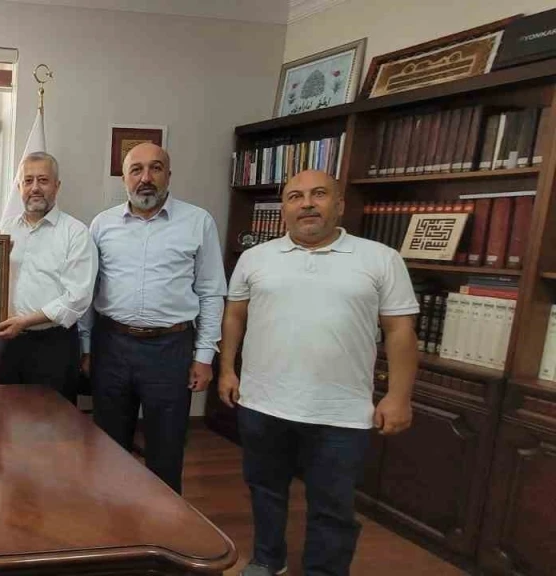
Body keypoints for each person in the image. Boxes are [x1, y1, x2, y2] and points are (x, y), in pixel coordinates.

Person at [219, 170, 418, 576]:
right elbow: (234, 315)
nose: (307, 203)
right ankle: (267, 560)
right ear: (284, 209)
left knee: (333, 505)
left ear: (339, 204)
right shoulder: (255, 258)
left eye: (319, 194)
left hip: (341, 412)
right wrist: (227, 370)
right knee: (265, 490)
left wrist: (399, 395)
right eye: (295, 196)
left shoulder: (380, 259)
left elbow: (400, 331)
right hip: (263, 402)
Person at [78, 142, 226, 494]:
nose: (146, 177)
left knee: (167, 447)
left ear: (168, 175)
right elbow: (87, 291)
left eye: (155, 168)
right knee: (109, 445)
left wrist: (205, 357)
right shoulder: (102, 225)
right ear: (124, 179)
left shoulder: (198, 222)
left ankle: (163, 522)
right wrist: (86, 347)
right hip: (111, 345)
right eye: (136, 169)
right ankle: (113, 516)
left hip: (171, 349)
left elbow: (211, 291)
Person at [0, 152, 97, 403]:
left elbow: (78, 297)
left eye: (43, 180)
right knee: (6, 414)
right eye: (28, 181)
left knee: (53, 420)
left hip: (53, 345)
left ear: (57, 186)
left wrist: (26, 321)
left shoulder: (76, 233)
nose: (35, 188)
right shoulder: (5, 229)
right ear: (20, 187)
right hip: (9, 344)